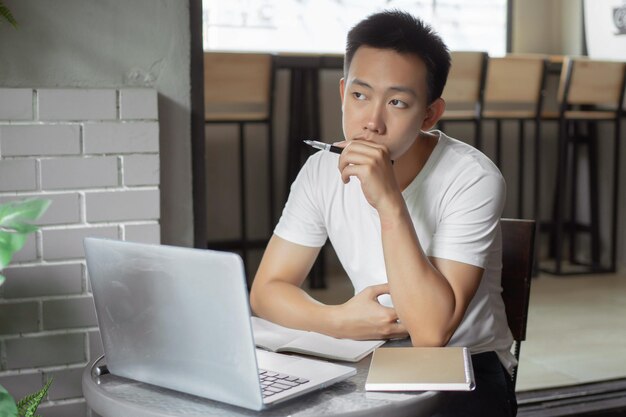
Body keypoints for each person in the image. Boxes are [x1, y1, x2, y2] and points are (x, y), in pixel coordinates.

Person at [250, 10, 517, 417]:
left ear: (429, 113)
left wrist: (389, 201)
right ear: (342, 93)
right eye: (360, 95)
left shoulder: (473, 178)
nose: (371, 122)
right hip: (371, 350)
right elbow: (267, 290)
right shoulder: (321, 169)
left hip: (467, 364)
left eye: (396, 102)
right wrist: (337, 320)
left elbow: (431, 333)